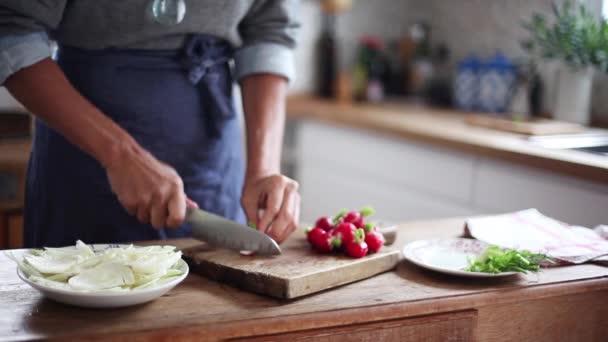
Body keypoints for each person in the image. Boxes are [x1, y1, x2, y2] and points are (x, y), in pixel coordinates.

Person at [0, 0, 301, 247]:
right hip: (84, 148)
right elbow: (12, 28)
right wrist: (119, 154)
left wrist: (264, 169)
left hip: (213, 154)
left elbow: (269, 30)